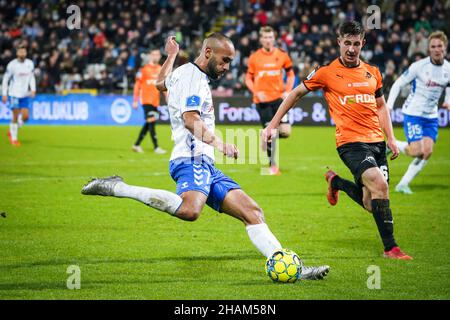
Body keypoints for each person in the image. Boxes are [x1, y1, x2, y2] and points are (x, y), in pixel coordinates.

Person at [81, 34, 330, 280]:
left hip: (204, 162)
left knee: (252, 211)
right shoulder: (194, 80)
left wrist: (171, 56)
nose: (226, 67)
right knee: (190, 210)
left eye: (230, 62)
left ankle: (290, 268)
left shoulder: (183, 72)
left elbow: (160, 84)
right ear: (208, 53)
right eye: (224, 61)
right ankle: (118, 187)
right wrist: (220, 144)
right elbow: (191, 120)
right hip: (191, 158)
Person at [262, 21, 412, 260]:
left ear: (362, 44)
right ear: (339, 42)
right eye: (347, 43)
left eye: (356, 44)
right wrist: (272, 124)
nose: (351, 49)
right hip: (351, 143)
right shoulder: (326, 72)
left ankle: (337, 183)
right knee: (381, 187)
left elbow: (381, 106)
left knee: (371, 203)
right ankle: (391, 248)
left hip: (377, 142)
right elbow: (295, 93)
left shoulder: (373, 72)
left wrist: (391, 138)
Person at [387, 31, 450, 194]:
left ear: (445, 47)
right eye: (433, 47)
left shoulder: (448, 68)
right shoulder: (419, 67)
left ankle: (402, 184)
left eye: (439, 46)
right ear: (429, 49)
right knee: (416, 151)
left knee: (427, 152)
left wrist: (448, 100)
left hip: (431, 116)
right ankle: (392, 145)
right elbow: (398, 84)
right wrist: (389, 106)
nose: (437, 49)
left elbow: (449, 86)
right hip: (413, 114)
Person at [245, 26, 295, 175]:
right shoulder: (254, 57)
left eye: (270, 37)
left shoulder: (282, 55)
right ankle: (273, 166)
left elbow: (291, 74)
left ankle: (264, 135)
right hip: (262, 101)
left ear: (274, 39)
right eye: (265, 38)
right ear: (261, 39)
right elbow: (248, 78)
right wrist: (255, 91)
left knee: (285, 132)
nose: (268, 40)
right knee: (272, 133)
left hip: (279, 99)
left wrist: (287, 91)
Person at [132, 48, 166, 154]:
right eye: (153, 54)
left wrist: (167, 97)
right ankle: (156, 147)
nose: (155, 56)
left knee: (148, 123)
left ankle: (136, 145)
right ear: (150, 56)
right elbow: (137, 85)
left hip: (155, 101)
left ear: (160, 56)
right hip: (146, 100)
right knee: (151, 122)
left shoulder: (161, 69)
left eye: (157, 54)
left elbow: (163, 86)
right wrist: (135, 100)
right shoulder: (143, 69)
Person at [2, 44, 36, 146]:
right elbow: (5, 79)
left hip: (24, 94)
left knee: (25, 117)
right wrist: (4, 93)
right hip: (14, 93)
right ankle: (14, 139)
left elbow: (31, 77)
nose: (22, 53)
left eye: (24, 51)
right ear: (17, 53)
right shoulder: (12, 65)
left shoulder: (30, 64)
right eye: (20, 51)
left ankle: (13, 129)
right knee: (15, 116)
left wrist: (33, 89)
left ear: (26, 53)